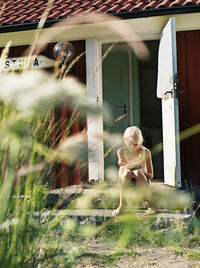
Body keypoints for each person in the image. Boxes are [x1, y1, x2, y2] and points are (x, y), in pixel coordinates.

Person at [112, 126, 154, 216]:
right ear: (125, 141)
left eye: (135, 144)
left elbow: (151, 175)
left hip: (141, 181)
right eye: (130, 143)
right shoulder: (121, 151)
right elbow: (121, 171)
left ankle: (151, 205)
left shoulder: (145, 152)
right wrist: (120, 162)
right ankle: (122, 205)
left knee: (137, 172)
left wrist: (139, 172)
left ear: (140, 142)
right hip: (125, 181)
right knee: (127, 172)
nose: (132, 147)